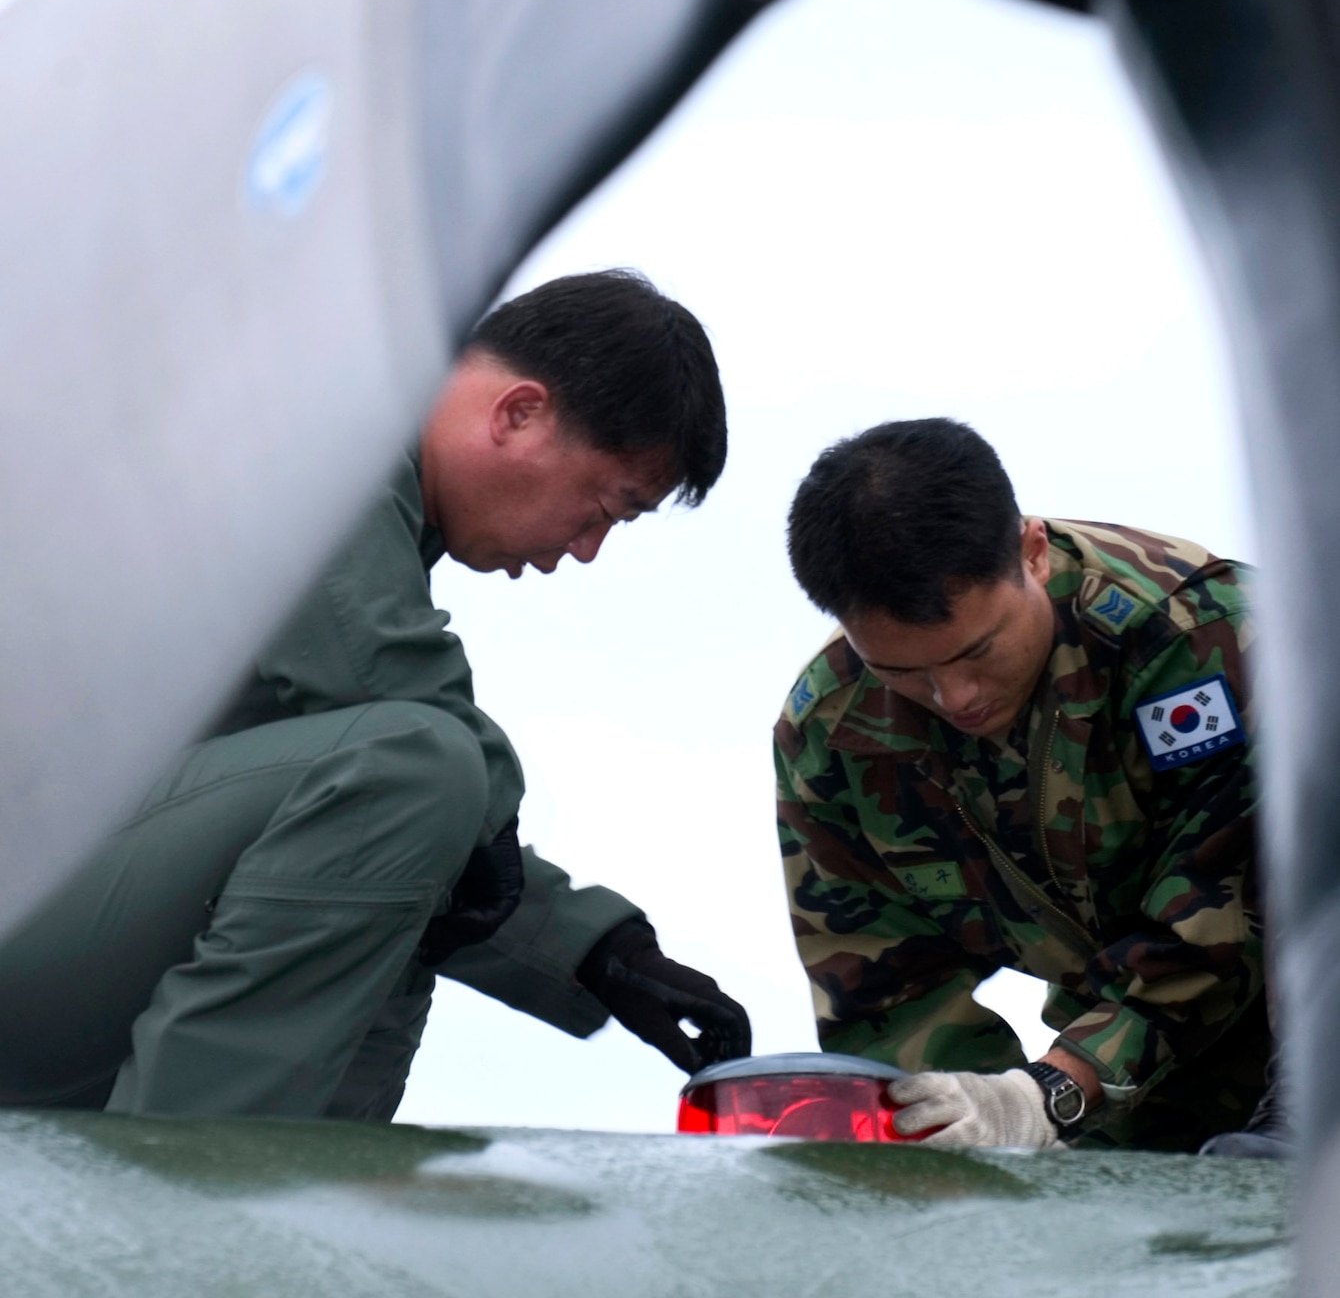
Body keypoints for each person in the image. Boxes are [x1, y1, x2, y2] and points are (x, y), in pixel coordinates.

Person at [0, 270, 750, 1118]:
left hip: (55, 918)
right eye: (606, 508)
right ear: (518, 413)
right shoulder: (298, 425)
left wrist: (597, 952)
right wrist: (487, 816)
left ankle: (303, 1208)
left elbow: (410, 831)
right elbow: (406, 713)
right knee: (417, 772)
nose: (586, 550)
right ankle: (183, 1209)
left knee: (412, 827)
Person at [775, 417, 1281, 1154]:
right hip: (1133, 1088)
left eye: (978, 651)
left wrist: (1055, 1090)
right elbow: (885, 993)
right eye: (903, 671)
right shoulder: (833, 735)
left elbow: (1223, 916)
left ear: (1032, 553)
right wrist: (983, 1135)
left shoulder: (1197, 636)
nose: (955, 697)